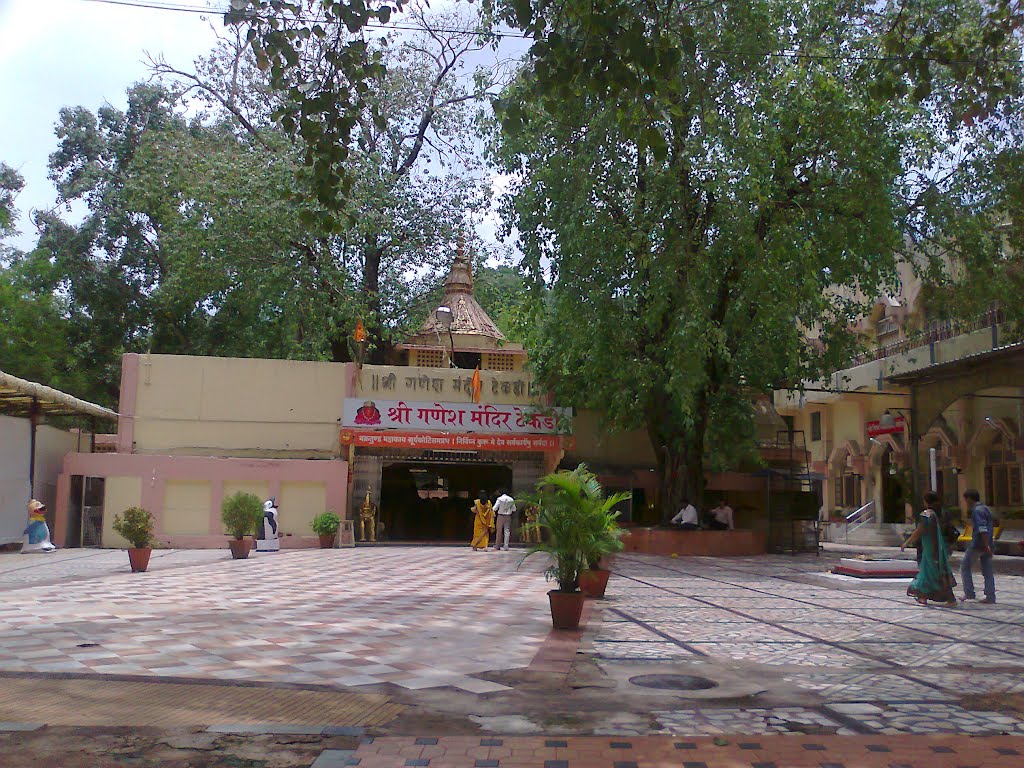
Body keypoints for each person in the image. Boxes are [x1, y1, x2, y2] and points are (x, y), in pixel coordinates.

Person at [901, 491, 957, 607]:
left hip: (930, 548)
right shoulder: (939, 513)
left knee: (931, 572)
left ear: (926, 501)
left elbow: (920, 530)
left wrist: (907, 542)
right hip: (938, 548)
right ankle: (923, 597)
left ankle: (947, 599)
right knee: (934, 571)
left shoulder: (927, 514)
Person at [960, 489, 996, 604]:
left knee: (965, 566)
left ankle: (969, 592)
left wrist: (985, 545)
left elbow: (982, 529)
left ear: (970, 498)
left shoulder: (977, 510)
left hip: (979, 544)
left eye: (966, 499)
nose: (965, 502)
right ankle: (990, 596)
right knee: (988, 571)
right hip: (988, 543)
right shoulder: (986, 509)